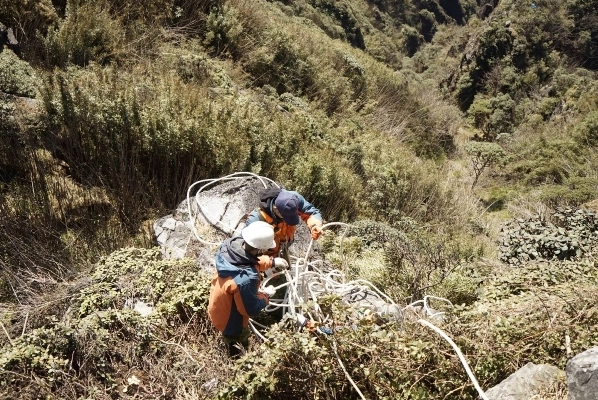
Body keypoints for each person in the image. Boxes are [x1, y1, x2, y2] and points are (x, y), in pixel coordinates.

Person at [208, 221, 287, 357]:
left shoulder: (229, 248)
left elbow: (249, 261)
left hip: (218, 308)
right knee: (237, 345)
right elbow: (250, 309)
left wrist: (271, 261)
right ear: (261, 249)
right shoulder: (245, 279)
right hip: (230, 322)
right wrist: (266, 296)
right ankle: (236, 360)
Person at [245, 188, 324, 258]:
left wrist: (314, 226)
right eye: (286, 218)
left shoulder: (293, 199)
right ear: (275, 209)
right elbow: (242, 252)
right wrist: (267, 263)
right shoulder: (256, 220)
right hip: (264, 255)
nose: (288, 221)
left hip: (282, 245)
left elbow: (311, 212)